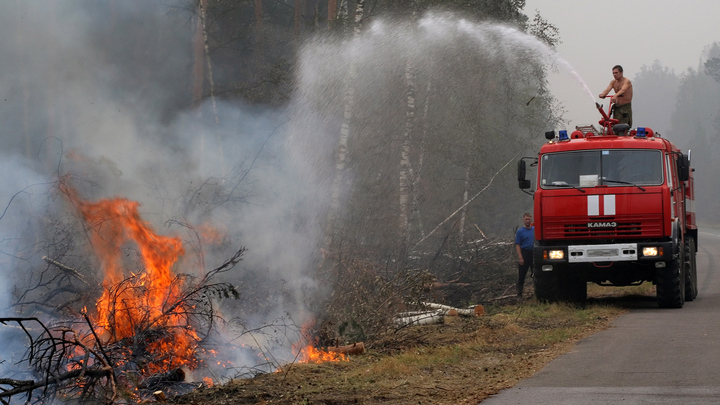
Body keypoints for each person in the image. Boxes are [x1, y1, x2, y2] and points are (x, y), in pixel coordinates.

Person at [515, 213, 534, 298]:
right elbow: (518, 245)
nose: (527, 221)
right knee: (521, 276)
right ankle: (519, 295)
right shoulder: (520, 231)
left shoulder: (534, 229)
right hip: (524, 253)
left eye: (529, 219)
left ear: (531, 220)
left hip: (534, 254)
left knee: (535, 275)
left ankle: (536, 294)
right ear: (523, 220)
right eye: (526, 219)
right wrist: (520, 257)